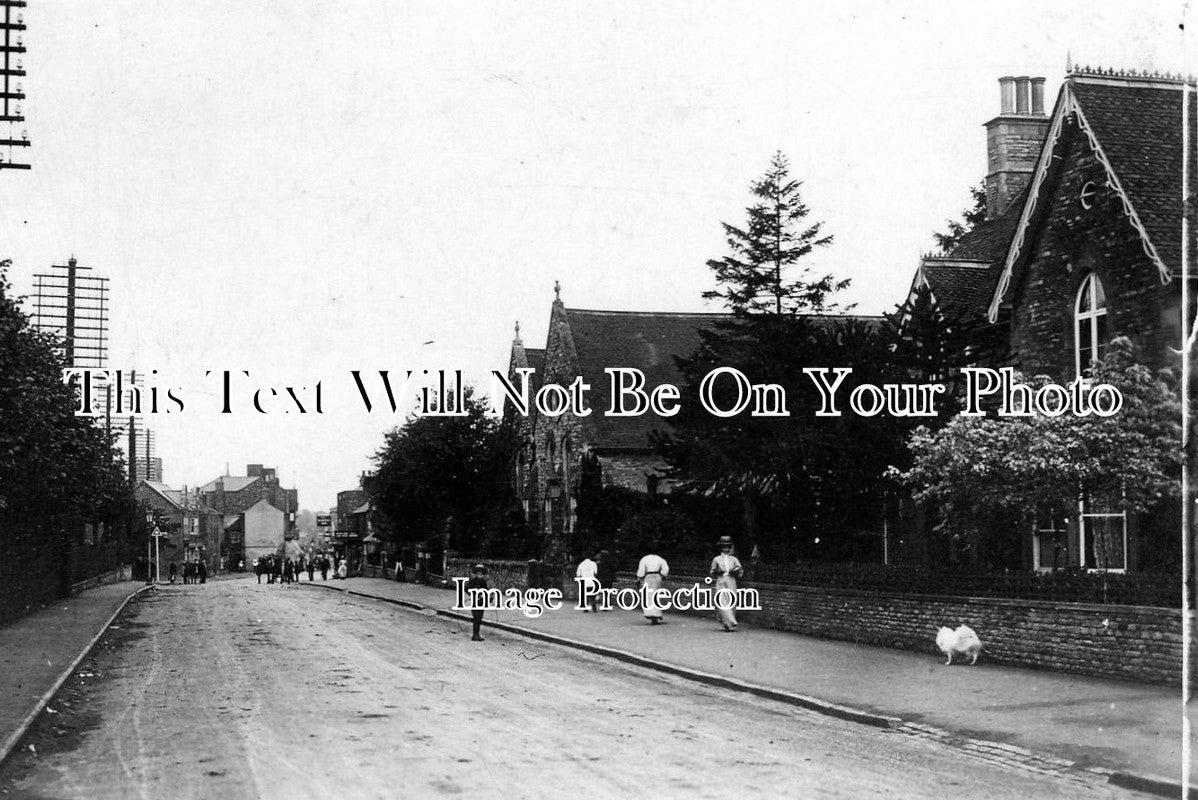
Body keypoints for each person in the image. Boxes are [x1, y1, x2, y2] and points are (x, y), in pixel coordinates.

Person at [709, 536, 744, 632]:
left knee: (731, 600)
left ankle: (727, 623)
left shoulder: (734, 559)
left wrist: (735, 571)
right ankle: (731, 621)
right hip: (721, 580)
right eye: (724, 547)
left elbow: (740, 571)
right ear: (721, 548)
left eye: (728, 547)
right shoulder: (716, 559)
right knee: (721, 600)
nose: (726, 549)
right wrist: (717, 572)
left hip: (731, 580)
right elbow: (712, 572)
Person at [636, 552, 669, 624]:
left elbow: (641, 570)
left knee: (649, 595)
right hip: (657, 576)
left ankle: (650, 613)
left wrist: (639, 577)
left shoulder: (644, 559)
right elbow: (665, 569)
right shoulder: (660, 559)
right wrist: (663, 575)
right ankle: (657, 613)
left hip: (648, 576)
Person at [465, 564, 488, 641]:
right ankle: (475, 635)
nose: (480, 576)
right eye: (478, 574)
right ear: (476, 574)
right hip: (475, 603)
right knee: (476, 618)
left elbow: (486, 590)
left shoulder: (483, 582)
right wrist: (474, 595)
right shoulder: (472, 582)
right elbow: (466, 589)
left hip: (482, 602)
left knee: (479, 618)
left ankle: (476, 634)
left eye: (481, 574)